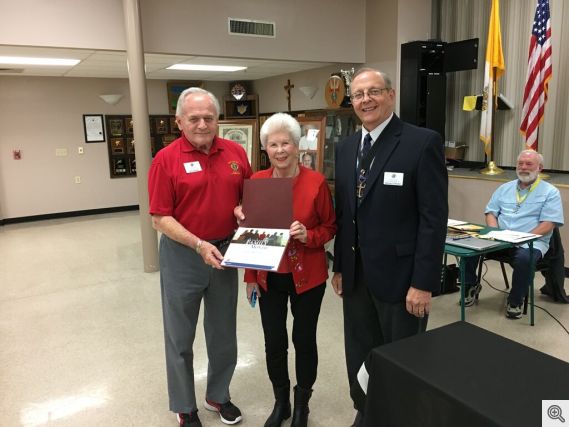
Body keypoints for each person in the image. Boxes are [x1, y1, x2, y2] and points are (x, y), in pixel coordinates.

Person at [331, 68, 448, 425]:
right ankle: (366, 410)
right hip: (356, 276)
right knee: (360, 351)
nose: (365, 100)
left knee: (402, 357)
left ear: (391, 95)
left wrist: (424, 282)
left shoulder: (421, 142)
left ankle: (399, 417)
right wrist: (338, 266)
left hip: (403, 280)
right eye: (358, 95)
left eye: (373, 92)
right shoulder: (346, 147)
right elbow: (346, 212)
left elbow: (433, 218)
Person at [148, 87, 252, 427]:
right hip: (183, 256)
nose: (203, 124)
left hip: (226, 252)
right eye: (194, 118)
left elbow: (249, 198)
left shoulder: (235, 152)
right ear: (179, 121)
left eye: (209, 117)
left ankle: (218, 396)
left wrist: (243, 212)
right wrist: (197, 244)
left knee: (223, 332)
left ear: (218, 119)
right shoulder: (166, 160)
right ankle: (184, 405)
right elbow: (159, 218)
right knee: (180, 335)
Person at [235, 113, 336, 427]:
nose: (280, 150)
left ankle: (302, 403)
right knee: (274, 341)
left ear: (297, 146)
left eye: (286, 143)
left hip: (308, 275)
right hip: (269, 277)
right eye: (273, 144)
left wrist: (309, 235)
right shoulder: (257, 183)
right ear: (266, 148)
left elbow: (330, 227)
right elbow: (250, 233)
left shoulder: (316, 183)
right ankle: (282, 402)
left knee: (304, 339)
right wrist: (250, 277)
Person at [462, 149, 564, 318]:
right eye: (520, 163)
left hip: (531, 241)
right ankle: (470, 285)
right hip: (500, 238)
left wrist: (523, 238)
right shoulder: (504, 188)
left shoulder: (550, 192)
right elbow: (491, 213)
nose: (523, 167)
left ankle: (515, 300)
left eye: (529, 164)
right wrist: (495, 232)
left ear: (540, 168)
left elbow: (549, 223)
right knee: (469, 246)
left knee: (525, 259)